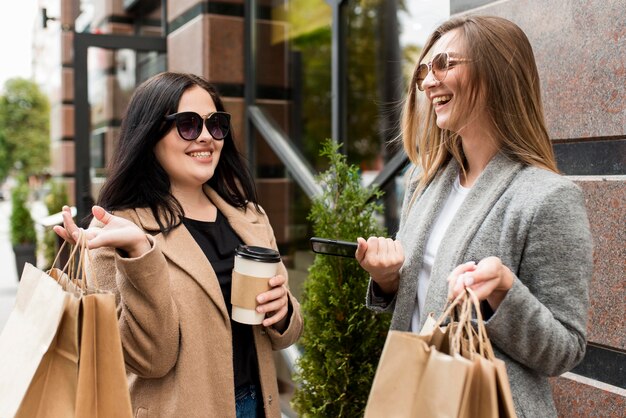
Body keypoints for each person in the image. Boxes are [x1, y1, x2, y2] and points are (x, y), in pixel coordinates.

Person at [356, 15, 592, 417]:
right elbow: (419, 304)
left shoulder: (548, 198)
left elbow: (565, 350)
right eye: (424, 71)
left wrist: (504, 292)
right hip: (414, 399)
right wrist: (387, 280)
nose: (429, 81)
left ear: (496, 72)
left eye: (444, 64)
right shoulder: (424, 182)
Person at [54, 72, 303, 417]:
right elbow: (150, 359)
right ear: (150, 134)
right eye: (187, 125)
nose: (205, 137)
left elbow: (283, 335)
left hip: (257, 405)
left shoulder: (250, 217)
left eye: (215, 124)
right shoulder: (116, 229)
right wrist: (140, 253)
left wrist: (284, 312)